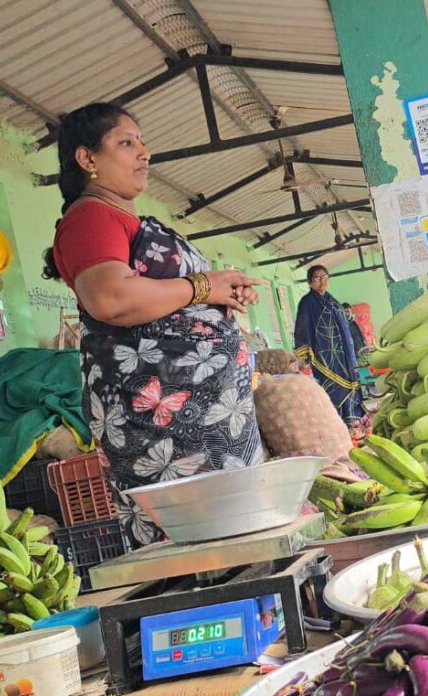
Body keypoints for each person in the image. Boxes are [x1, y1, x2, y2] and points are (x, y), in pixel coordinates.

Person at [43, 103, 264, 548]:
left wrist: (221, 294)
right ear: (87, 158)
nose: (144, 154)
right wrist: (204, 287)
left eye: (142, 143)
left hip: (206, 419)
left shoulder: (126, 220)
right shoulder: (91, 217)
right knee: (197, 543)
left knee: (231, 534)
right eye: (126, 143)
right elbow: (112, 298)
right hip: (163, 424)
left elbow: (170, 295)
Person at [295, 265, 363, 424]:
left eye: (325, 277)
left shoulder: (333, 301)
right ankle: (337, 425)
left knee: (350, 387)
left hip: (344, 357)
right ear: (310, 282)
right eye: (317, 278)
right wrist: (305, 356)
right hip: (325, 357)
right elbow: (303, 328)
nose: (322, 281)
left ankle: (353, 423)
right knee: (333, 391)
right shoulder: (307, 303)